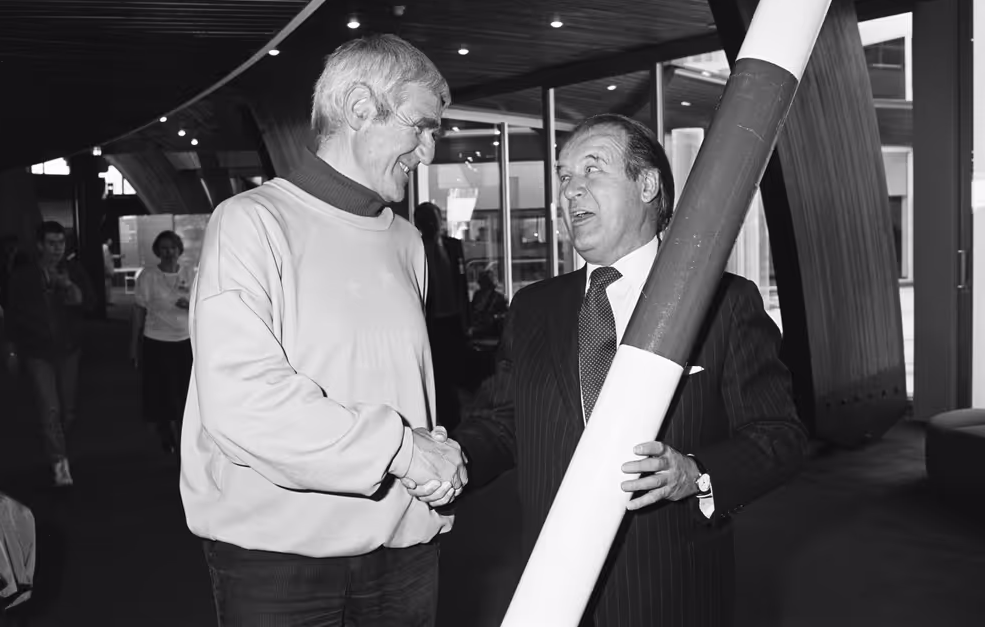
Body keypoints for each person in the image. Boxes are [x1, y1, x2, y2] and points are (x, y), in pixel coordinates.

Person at [411, 114, 809, 627]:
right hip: (551, 590)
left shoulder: (721, 303)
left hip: (669, 590)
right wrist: (453, 455)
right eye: (564, 176)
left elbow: (780, 435)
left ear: (647, 185)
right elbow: (505, 420)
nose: (570, 191)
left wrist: (696, 472)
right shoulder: (533, 307)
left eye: (592, 170)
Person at [180, 34, 468, 626]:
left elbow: (396, 383)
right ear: (360, 107)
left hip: (407, 548)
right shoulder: (251, 221)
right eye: (421, 126)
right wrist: (405, 449)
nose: (428, 150)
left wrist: (428, 453)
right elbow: (243, 404)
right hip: (280, 561)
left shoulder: (406, 240)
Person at [4, 221, 95, 487]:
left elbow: (88, 303)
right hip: (37, 352)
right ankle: (59, 462)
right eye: (52, 243)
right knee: (50, 408)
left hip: (68, 350)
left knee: (68, 410)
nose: (58, 249)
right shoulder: (23, 276)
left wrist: (67, 286)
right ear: (40, 245)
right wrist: (10, 347)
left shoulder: (74, 270)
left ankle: (58, 445)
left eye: (61, 243)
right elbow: (12, 314)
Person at [130, 231, 194, 455]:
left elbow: (201, 303)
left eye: (173, 248)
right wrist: (133, 344)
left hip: (185, 340)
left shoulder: (189, 272)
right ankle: (165, 430)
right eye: (164, 248)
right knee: (162, 389)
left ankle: (185, 430)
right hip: (156, 340)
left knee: (186, 389)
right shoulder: (148, 276)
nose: (169, 252)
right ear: (158, 251)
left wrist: (190, 305)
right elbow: (139, 310)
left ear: (179, 250)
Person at [413, 201, 470, 431]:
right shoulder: (415, 248)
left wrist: (468, 320)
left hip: (454, 319)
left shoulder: (453, 246)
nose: (431, 224)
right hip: (432, 323)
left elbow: (462, 284)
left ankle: (459, 417)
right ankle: (444, 419)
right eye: (426, 220)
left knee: (458, 369)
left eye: (434, 218)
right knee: (439, 375)